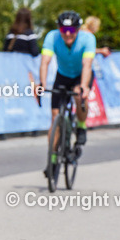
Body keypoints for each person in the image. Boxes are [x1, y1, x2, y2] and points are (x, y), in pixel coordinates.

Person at [38, 11, 96, 176]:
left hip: (80, 75)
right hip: (62, 75)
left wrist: (84, 86)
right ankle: (53, 159)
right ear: (59, 29)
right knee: (55, 116)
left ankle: (81, 127)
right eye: (64, 30)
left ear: (78, 29)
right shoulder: (52, 37)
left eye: (72, 30)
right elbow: (45, 61)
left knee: (79, 95)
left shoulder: (88, 39)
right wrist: (42, 83)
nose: (68, 34)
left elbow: (87, 65)